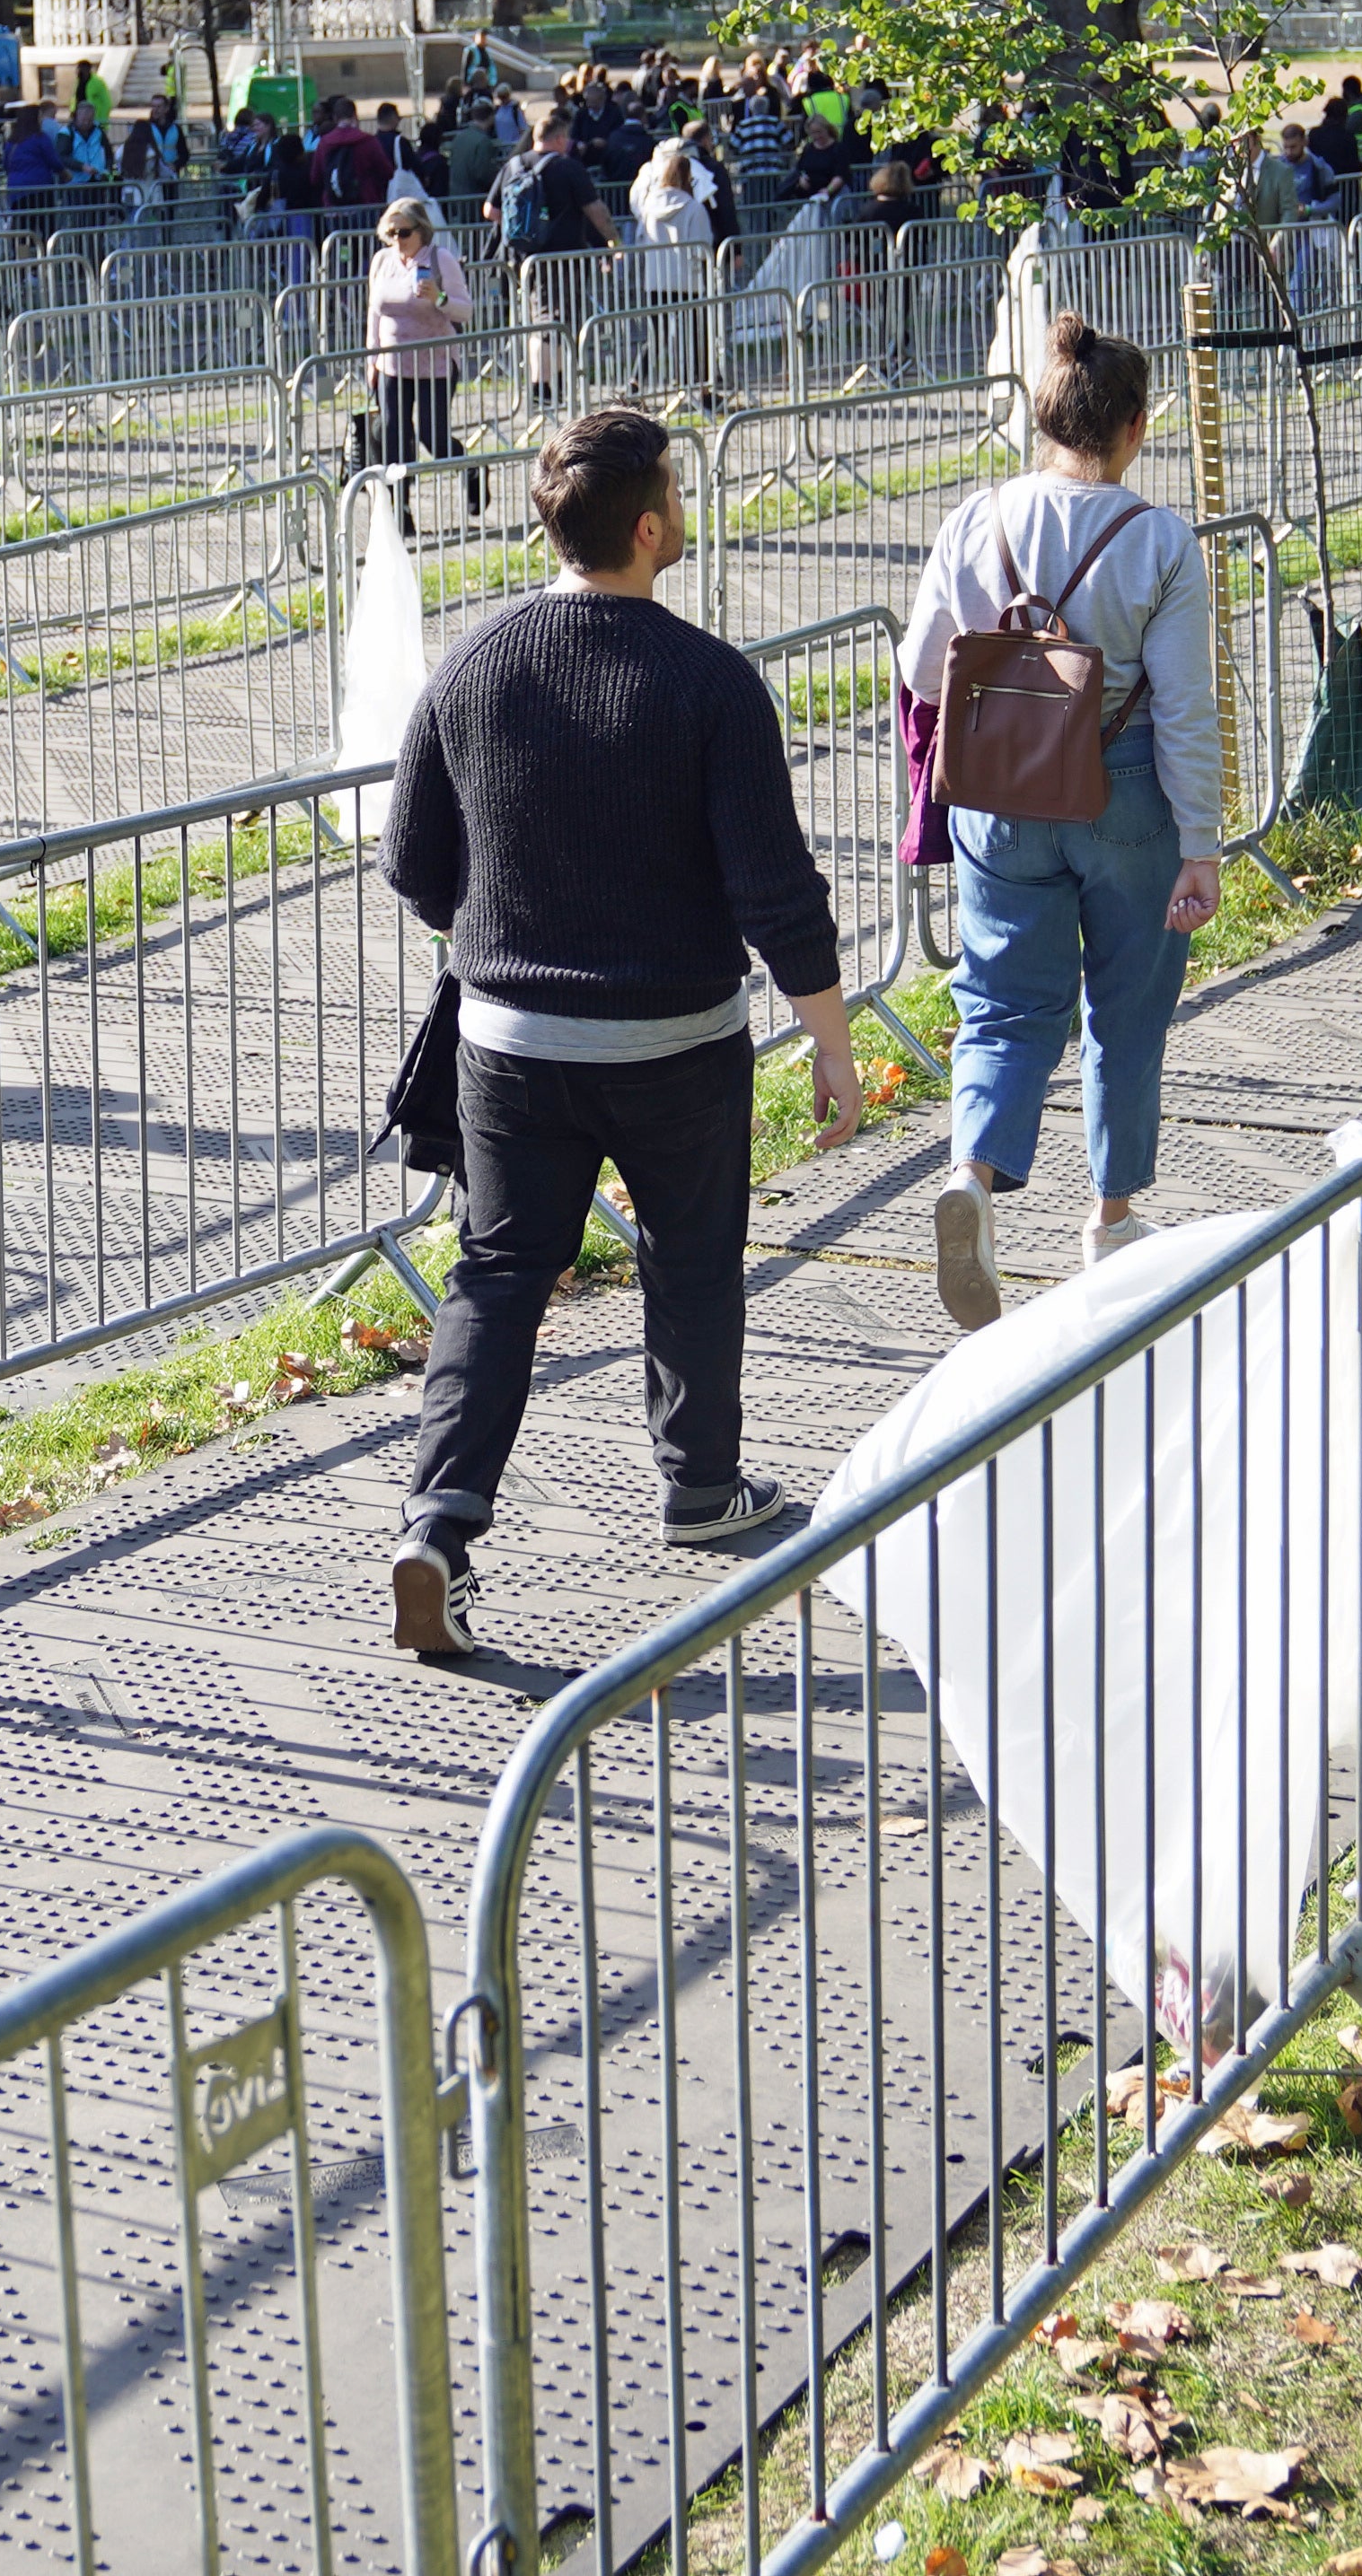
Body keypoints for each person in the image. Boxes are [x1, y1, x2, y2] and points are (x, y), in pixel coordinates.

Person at [378, 408, 858, 1656]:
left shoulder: (473, 666)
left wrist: (501, 934)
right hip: (676, 1044)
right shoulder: (711, 684)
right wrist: (832, 1038)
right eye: (678, 502)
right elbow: (775, 890)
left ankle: (438, 1524)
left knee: (497, 1275)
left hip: (510, 1045)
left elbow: (415, 864)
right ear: (648, 528)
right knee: (691, 1260)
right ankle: (701, 1485)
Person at [899, 317, 1221, 1326]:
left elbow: (920, 670)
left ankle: (973, 1180)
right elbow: (1183, 707)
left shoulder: (976, 520)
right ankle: (1113, 1220)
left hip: (999, 793)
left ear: (1043, 415)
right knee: (1125, 1009)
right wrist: (1201, 847)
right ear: (1135, 427)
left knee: (999, 1002)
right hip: (1123, 793)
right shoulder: (1159, 542)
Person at [364, 195, 475, 487]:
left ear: (421, 230)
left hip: (434, 363)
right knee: (393, 436)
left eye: (404, 232)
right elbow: (374, 314)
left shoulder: (440, 259)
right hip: (392, 364)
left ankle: (472, 470)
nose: (397, 239)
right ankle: (401, 506)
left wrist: (438, 297)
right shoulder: (382, 261)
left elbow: (465, 311)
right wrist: (372, 359)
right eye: (391, 233)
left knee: (432, 436)